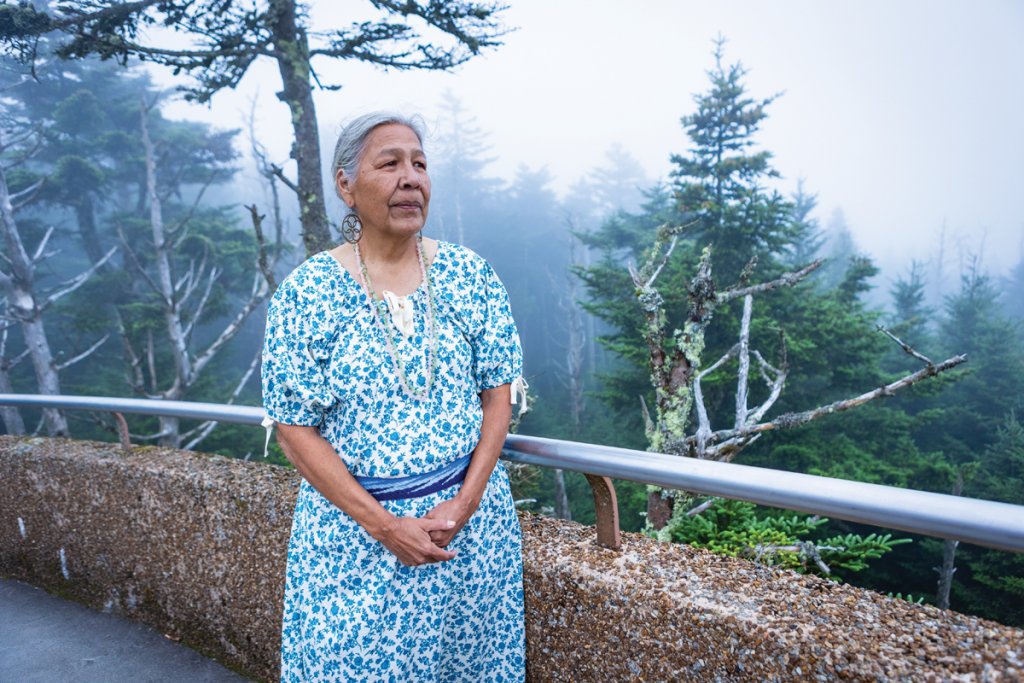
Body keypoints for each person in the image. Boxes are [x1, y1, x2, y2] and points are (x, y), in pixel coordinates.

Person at [261, 112, 526, 682]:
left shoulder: (469, 276)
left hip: (469, 539)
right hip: (354, 541)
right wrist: (384, 525)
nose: (411, 179)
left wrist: (465, 503)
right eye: (390, 163)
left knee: (471, 668)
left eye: (420, 164)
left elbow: (497, 396)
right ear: (345, 184)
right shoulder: (307, 294)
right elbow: (293, 428)